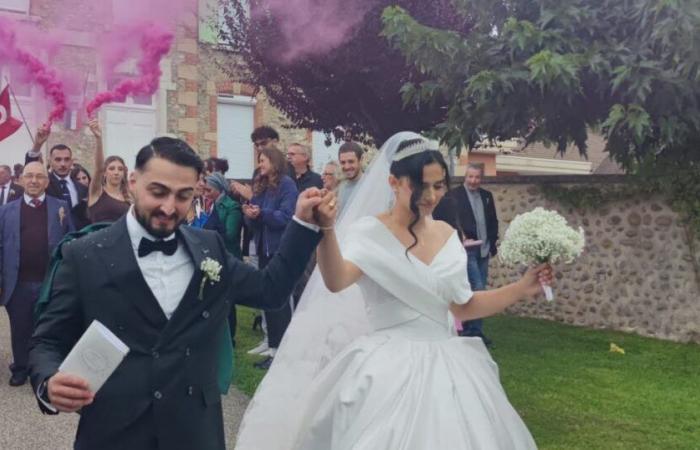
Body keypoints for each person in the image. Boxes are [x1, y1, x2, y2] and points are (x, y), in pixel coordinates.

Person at [235, 132, 552, 449]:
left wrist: (522, 287)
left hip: (449, 367)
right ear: (394, 182)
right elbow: (336, 280)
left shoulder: (446, 233)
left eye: (438, 185)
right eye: (420, 185)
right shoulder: (370, 233)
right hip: (386, 370)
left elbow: (463, 306)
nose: (431, 195)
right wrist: (327, 231)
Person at [28, 136, 325, 450]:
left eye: (183, 196)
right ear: (133, 181)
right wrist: (49, 382)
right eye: (158, 192)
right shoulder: (82, 255)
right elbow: (47, 340)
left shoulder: (210, 249)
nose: (169, 208)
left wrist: (302, 224)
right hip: (113, 433)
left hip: (195, 433)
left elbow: (270, 290)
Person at [0, 162, 74, 387]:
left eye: (39, 177)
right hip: (18, 282)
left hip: (49, 283)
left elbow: (70, 241)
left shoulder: (60, 207)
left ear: (47, 181)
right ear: (21, 180)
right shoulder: (6, 210)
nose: (34, 181)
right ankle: (21, 368)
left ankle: (41, 371)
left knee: (45, 329)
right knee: (20, 328)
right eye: (29, 176)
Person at [242, 146, 298, 369]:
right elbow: (256, 219)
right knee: (268, 299)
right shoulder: (262, 186)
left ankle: (283, 351)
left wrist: (262, 214)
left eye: (263, 160)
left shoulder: (287, 185)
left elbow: (286, 216)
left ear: (274, 162)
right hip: (264, 249)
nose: (260, 164)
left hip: (280, 249)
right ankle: (273, 348)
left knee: (281, 302)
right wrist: (251, 215)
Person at [433, 162, 499, 345]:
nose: (473, 181)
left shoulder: (487, 196)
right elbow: (446, 221)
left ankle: (474, 329)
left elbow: (492, 221)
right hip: (465, 250)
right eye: (470, 177)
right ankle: (472, 330)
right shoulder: (454, 196)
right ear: (465, 177)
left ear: (481, 178)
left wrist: (493, 243)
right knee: (477, 288)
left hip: (484, 250)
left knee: (478, 287)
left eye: (477, 177)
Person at [25, 124, 90, 229]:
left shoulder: (82, 188)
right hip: (50, 238)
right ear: (50, 161)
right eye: (58, 159)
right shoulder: (44, 184)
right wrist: (37, 145)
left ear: (71, 162)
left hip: (76, 239)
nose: (63, 164)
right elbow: (30, 166)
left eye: (66, 159)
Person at [86, 120, 130, 223]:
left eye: (120, 169)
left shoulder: (129, 197)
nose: (116, 172)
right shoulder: (97, 192)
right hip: (101, 237)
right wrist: (99, 139)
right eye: (111, 168)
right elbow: (98, 168)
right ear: (105, 173)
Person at [336, 141, 363, 210]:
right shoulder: (341, 187)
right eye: (343, 162)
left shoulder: (370, 184)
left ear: (361, 160)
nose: (347, 166)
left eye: (351, 161)